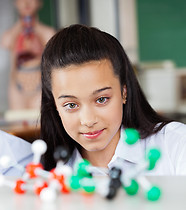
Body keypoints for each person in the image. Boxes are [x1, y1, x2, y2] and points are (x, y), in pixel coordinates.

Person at [40, 24, 186, 175]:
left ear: (124, 91)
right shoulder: (50, 175)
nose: (88, 121)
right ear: (55, 105)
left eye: (101, 99)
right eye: (71, 105)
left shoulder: (176, 146)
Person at [0, 0, 55, 109]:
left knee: (39, 121)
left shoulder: (46, 32)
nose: (26, 3)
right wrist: (21, 25)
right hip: (17, 87)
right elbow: (5, 42)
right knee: (18, 122)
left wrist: (35, 26)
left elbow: (51, 39)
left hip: (39, 86)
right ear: (16, 3)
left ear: (39, 3)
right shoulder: (13, 33)